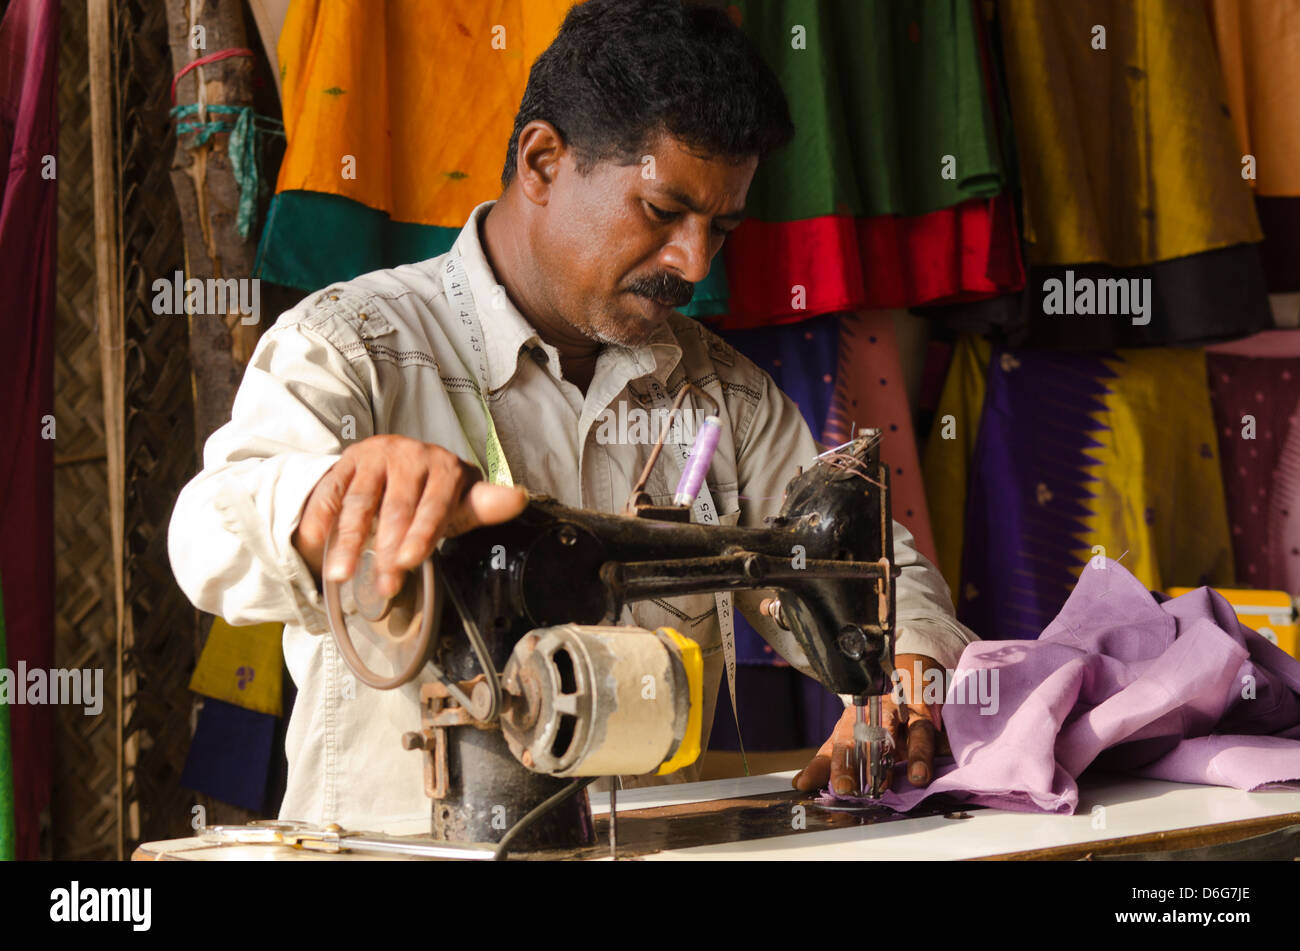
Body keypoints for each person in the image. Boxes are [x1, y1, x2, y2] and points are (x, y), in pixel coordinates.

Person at [168, 0, 976, 834]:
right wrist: (325, 501)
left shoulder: (723, 397)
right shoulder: (353, 346)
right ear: (543, 160)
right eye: (663, 213)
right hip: (392, 853)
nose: (693, 264)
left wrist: (906, 670)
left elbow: (876, 575)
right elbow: (206, 534)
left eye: (721, 229)